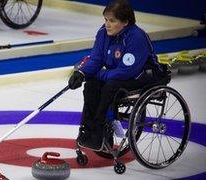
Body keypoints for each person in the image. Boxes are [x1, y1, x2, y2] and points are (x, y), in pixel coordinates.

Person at [68, 0, 167, 150]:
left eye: (112, 21)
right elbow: (96, 59)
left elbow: (127, 71)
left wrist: (99, 74)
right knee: (91, 85)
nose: (107, 24)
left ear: (125, 22)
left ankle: (99, 128)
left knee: (110, 86)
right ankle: (88, 128)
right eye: (106, 20)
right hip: (117, 75)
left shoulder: (136, 37)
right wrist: (82, 73)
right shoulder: (103, 33)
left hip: (143, 76)